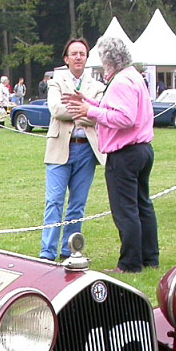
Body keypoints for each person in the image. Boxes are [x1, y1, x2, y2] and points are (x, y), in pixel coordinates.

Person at [66, 37, 158, 274]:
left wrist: (91, 112)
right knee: (142, 205)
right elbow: (118, 108)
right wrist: (89, 102)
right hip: (142, 150)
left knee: (125, 209)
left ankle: (129, 263)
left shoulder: (121, 82)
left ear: (108, 60)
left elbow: (125, 118)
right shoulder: (134, 76)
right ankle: (149, 258)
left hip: (126, 153)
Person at [39, 38, 107, 261]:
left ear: (87, 58)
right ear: (66, 59)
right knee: (54, 202)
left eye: (82, 53)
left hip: (86, 151)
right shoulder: (55, 82)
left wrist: (88, 113)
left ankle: (70, 250)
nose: (78, 57)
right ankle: (47, 253)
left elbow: (98, 117)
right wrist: (85, 110)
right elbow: (56, 110)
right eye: (74, 53)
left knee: (77, 205)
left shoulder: (97, 87)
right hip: (60, 148)